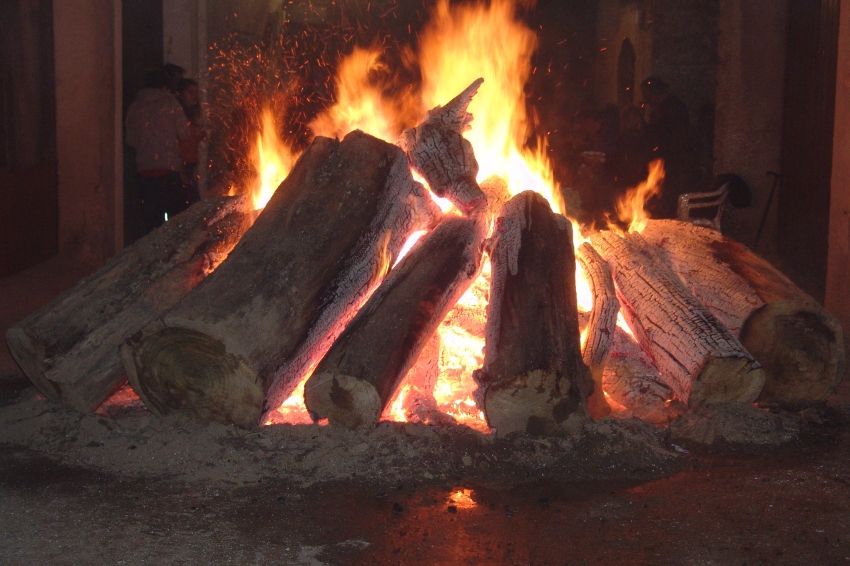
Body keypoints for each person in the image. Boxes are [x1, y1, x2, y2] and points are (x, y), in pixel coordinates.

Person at [125, 68, 193, 233]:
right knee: (176, 222)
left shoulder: (135, 107)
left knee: (151, 223)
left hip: (144, 171)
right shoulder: (170, 104)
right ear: (165, 86)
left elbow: (130, 140)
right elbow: (184, 133)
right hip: (168, 169)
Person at [639, 76, 692, 217]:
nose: (644, 98)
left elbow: (663, 133)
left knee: (669, 192)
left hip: (673, 157)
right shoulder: (663, 107)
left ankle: (670, 217)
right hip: (665, 157)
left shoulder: (672, 107)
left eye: (646, 94)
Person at [176, 78, 204, 202]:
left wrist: (199, 135)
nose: (194, 96)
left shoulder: (191, 115)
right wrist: (180, 171)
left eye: (196, 92)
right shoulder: (178, 115)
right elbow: (176, 144)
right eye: (190, 92)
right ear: (181, 94)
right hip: (181, 167)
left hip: (190, 165)